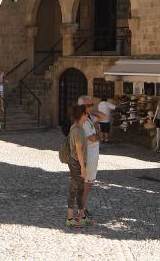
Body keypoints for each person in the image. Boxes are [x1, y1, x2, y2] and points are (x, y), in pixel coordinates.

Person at [77, 95, 101, 224]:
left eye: (92, 104)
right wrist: (99, 135)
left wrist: (92, 110)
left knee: (88, 182)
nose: (92, 107)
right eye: (89, 105)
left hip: (92, 154)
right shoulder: (83, 120)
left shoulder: (88, 117)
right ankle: (81, 208)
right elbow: (92, 138)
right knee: (86, 182)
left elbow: (104, 117)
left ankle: (82, 206)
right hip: (88, 155)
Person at [66, 105, 89, 228]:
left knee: (80, 189)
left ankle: (82, 215)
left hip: (76, 162)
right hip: (77, 163)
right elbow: (79, 151)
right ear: (82, 115)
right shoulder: (78, 130)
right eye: (86, 114)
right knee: (74, 189)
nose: (87, 117)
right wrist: (83, 168)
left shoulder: (76, 127)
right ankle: (70, 218)